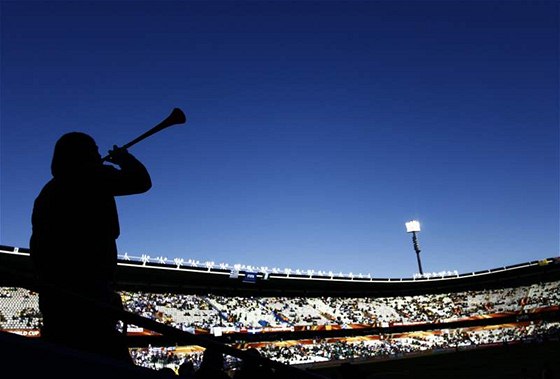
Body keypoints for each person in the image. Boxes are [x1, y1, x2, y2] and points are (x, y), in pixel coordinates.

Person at [30, 132, 152, 363]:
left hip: (56, 294)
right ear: (83, 155)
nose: (99, 154)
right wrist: (124, 158)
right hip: (89, 289)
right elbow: (141, 182)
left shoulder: (48, 191)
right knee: (106, 359)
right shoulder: (92, 177)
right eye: (94, 150)